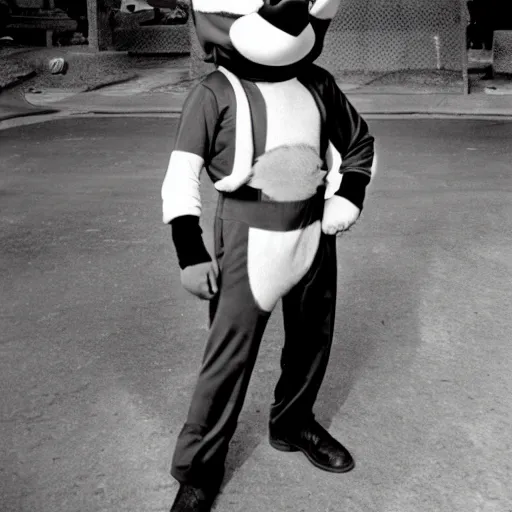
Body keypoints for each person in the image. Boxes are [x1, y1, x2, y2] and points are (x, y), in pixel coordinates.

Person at [161, 1, 377, 510]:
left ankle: (294, 421)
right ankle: (198, 469)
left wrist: (349, 195)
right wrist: (189, 250)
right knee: (227, 359)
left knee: (311, 338)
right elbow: (181, 174)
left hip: (312, 231)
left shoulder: (319, 84)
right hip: (246, 237)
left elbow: (360, 142)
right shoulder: (214, 92)